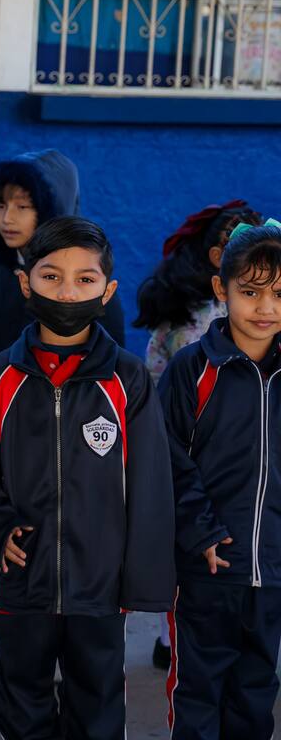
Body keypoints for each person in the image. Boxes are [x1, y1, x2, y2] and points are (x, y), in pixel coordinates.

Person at [0, 216, 174, 740]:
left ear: (107, 290)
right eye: (51, 277)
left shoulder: (127, 378)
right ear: (25, 282)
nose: (68, 291)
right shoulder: (0, 375)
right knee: (20, 694)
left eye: (85, 279)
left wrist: (141, 576)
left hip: (99, 582)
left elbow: (150, 482)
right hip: (20, 576)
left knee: (97, 696)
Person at [0, 149, 127, 668]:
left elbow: (112, 352)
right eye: (1, 204)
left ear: (54, 207)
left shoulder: (87, 275)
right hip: (0, 424)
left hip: (64, 432)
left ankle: (59, 626)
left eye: (23, 205)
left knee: (58, 525)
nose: (9, 218)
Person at [160, 220, 281, 739]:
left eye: (279, 294)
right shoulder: (192, 370)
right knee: (199, 689)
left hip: (273, 571)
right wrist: (201, 531)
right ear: (221, 289)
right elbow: (166, 461)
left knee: (256, 690)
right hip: (209, 565)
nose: (265, 307)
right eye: (249, 292)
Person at [133, 199, 261, 669]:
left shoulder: (265, 319)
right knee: (187, 543)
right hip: (189, 451)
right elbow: (155, 379)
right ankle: (173, 635)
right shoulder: (185, 326)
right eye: (226, 245)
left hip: (248, 459)